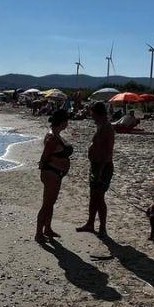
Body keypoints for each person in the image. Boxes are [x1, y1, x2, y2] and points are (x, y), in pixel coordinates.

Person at [77, 102, 116, 236]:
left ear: (98, 114)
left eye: (92, 114)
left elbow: (108, 152)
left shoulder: (107, 128)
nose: (91, 116)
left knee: (99, 197)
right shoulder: (100, 126)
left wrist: (100, 170)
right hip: (95, 165)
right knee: (93, 197)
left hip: (103, 166)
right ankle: (90, 223)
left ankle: (103, 227)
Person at [35, 109, 71, 243]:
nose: (68, 123)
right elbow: (44, 157)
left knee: (51, 203)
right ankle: (38, 233)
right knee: (47, 204)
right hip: (51, 173)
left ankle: (47, 228)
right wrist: (55, 163)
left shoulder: (56, 134)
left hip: (56, 173)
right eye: (67, 120)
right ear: (62, 122)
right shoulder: (52, 138)